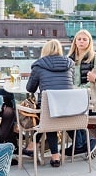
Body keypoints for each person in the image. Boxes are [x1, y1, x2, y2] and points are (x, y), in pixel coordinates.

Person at [22, 39, 75, 167]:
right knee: (51, 109)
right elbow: (71, 83)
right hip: (68, 109)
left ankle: (51, 154)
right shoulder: (70, 64)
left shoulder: (39, 65)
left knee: (48, 111)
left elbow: (30, 89)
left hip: (49, 109)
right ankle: (33, 147)